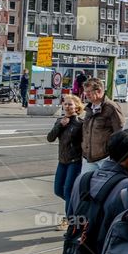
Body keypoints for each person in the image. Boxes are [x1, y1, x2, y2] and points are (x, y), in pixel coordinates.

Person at [49, 94, 84, 223]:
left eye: (70, 104)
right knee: (58, 190)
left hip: (75, 161)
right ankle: (76, 204)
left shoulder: (80, 123)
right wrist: (60, 126)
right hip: (62, 161)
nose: (67, 106)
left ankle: (69, 219)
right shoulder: (60, 121)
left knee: (68, 189)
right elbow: (50, 138)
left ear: (77, 107)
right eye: (65, 104)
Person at [80, 78, 124, 174]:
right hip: (88, 157)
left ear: (99, 91)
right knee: (84, 185)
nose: (86, 94)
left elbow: (120, 132)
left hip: (105, 157)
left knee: (102, 186)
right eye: (85, 91)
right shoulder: (89, 108)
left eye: (89, 92)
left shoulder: (111, 107)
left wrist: (113, 153)